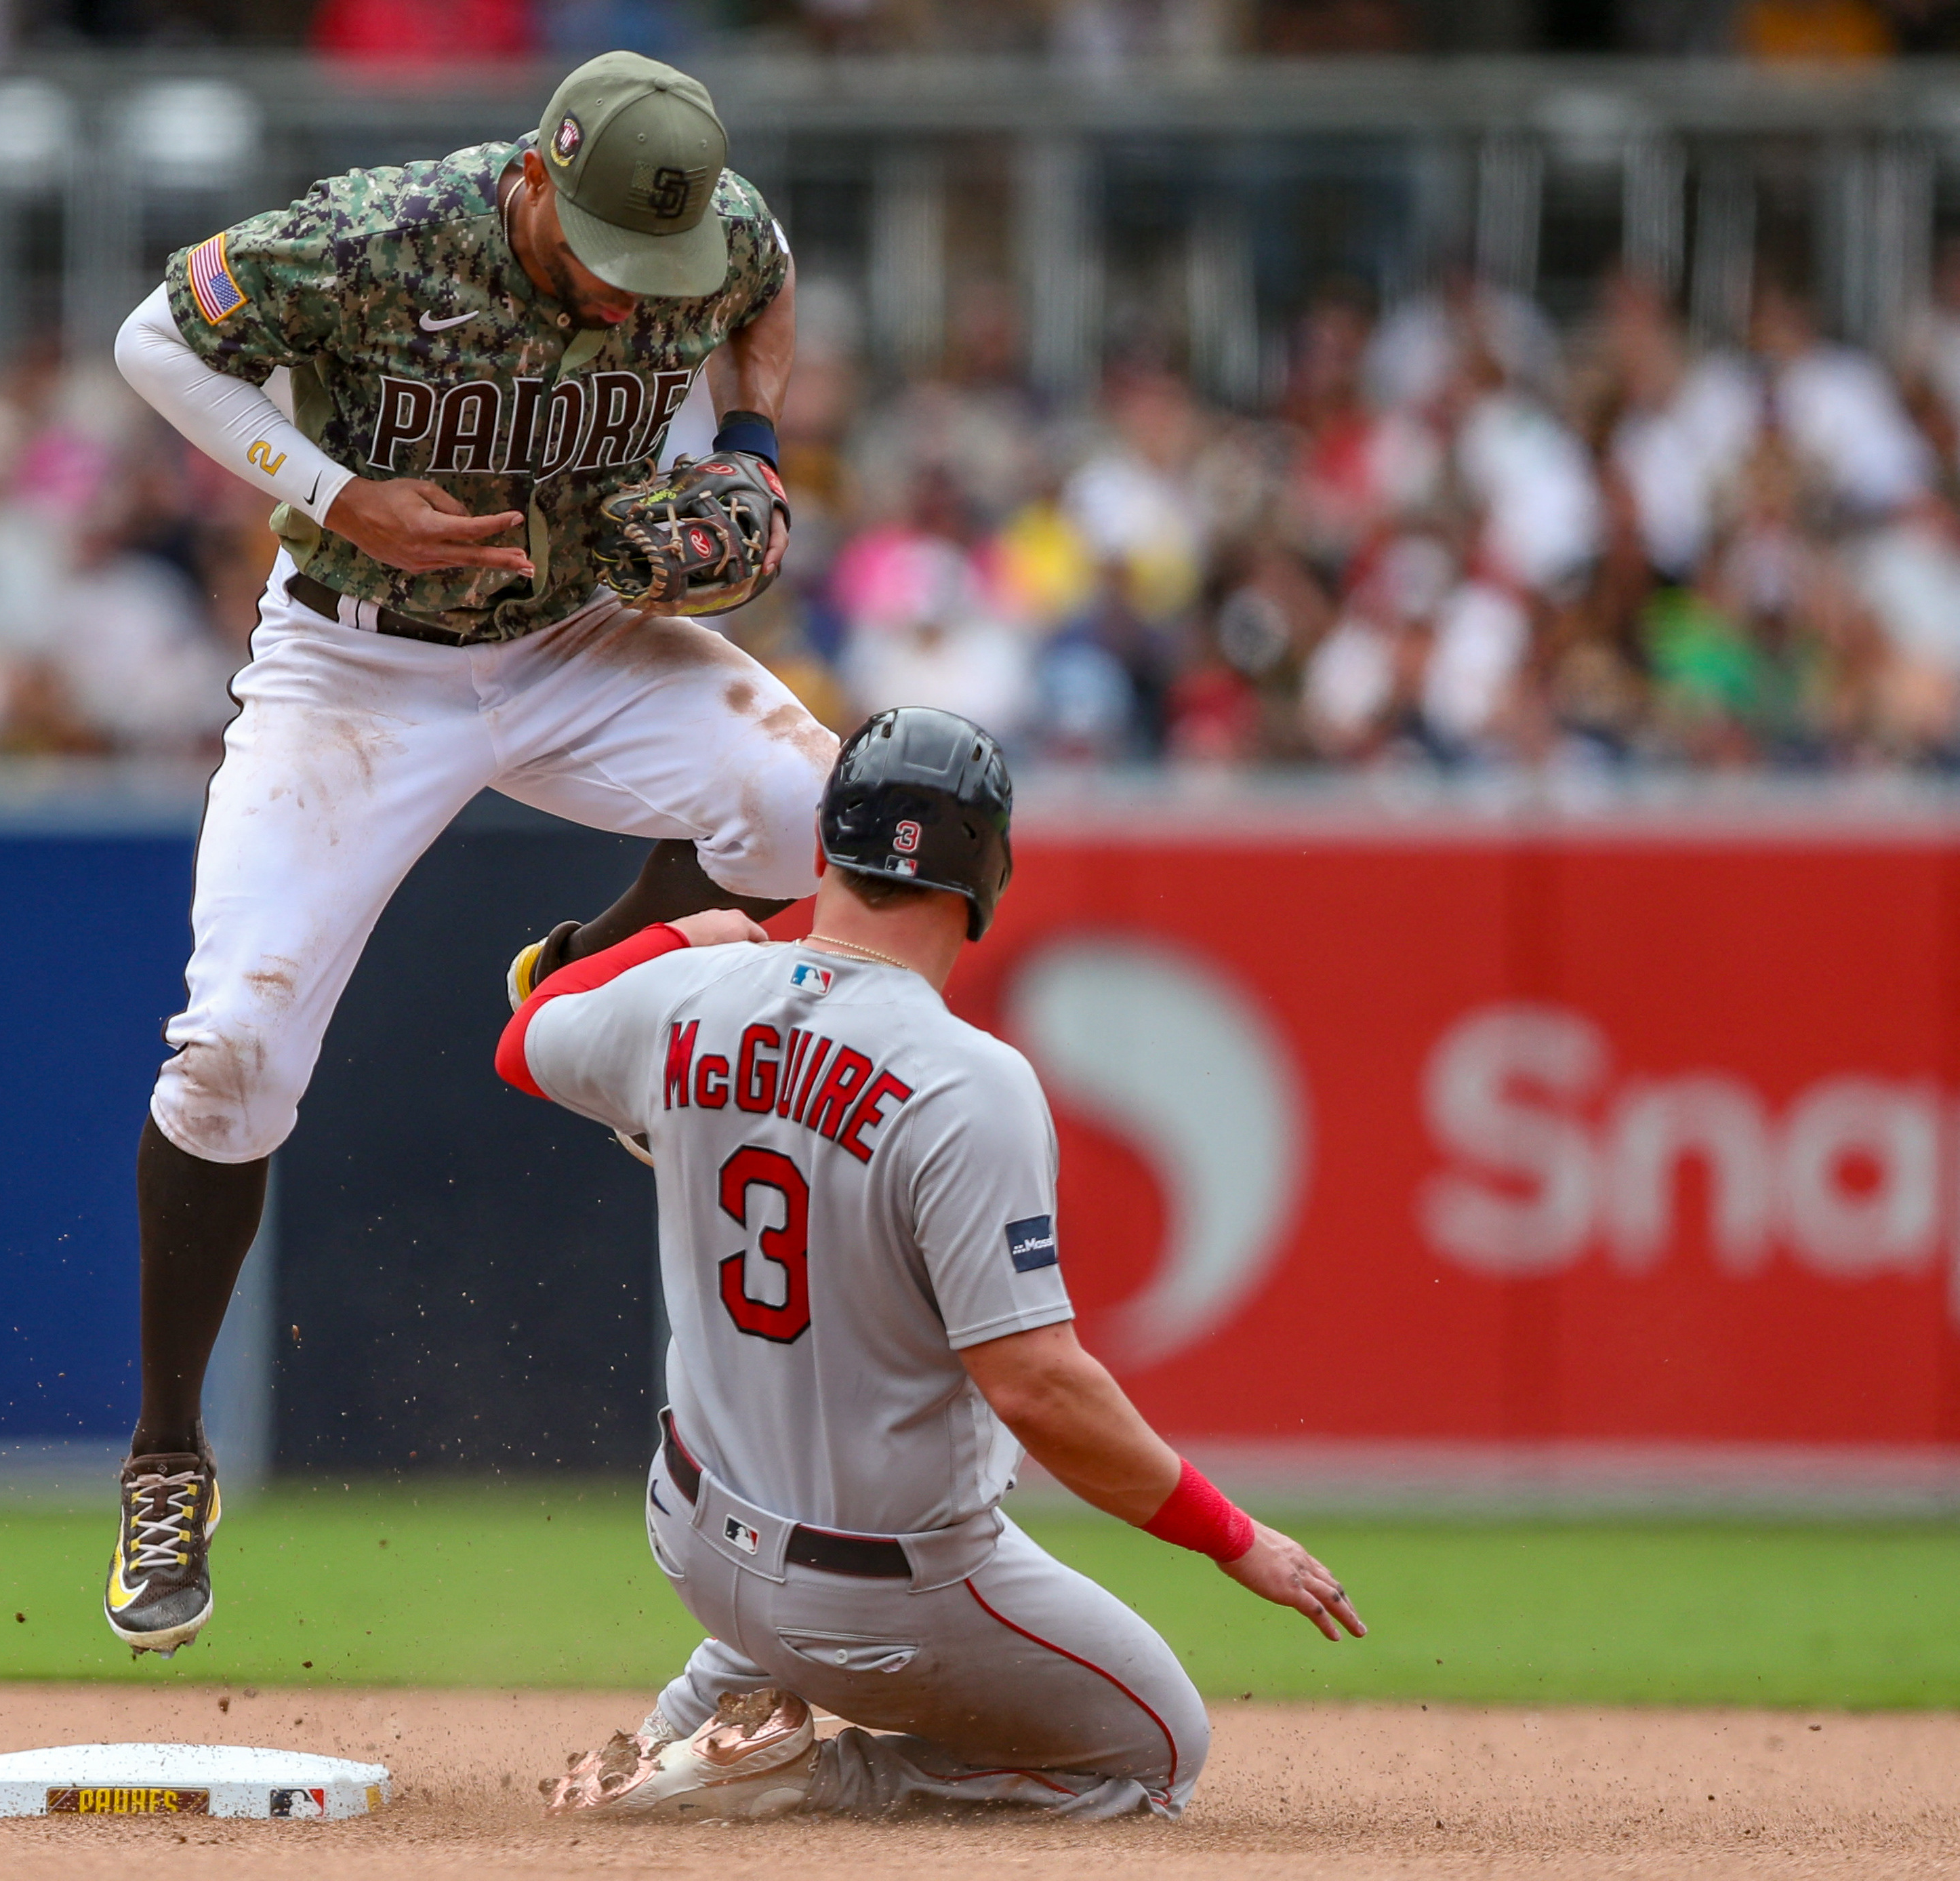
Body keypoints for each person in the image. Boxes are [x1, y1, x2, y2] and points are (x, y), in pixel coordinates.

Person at [100, 49, 836, 1655]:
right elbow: (153, 340)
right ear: (533, 178)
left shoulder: (713, 225)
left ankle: (585, 972)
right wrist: (336, 489)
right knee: (232, 1046)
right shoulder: (374, 234)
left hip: (579, 635)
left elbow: (766, 293)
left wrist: (756, 454)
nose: (630, 287)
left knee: (805, 809)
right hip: (358, 662)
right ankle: (167, 1454)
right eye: (598, 250)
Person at [495, 706, 1364, 1819]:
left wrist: (672, 939)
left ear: (824, 850)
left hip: (691, 1540)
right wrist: (1230, 1536)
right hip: (872, 1602)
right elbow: (1038, 1388)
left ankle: (714, 1702)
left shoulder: (687, 998)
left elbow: (523, 1039)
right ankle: (808, 1780)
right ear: (984, 874)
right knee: (1156, 1755)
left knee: (809, 1503)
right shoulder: (969, 1082)